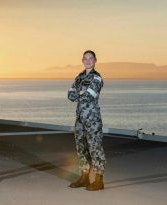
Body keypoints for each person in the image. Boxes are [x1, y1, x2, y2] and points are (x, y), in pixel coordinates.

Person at [67, 50, 106, 191]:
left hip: (93, 120)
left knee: (95, 149)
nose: (88, 61)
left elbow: (89, 96)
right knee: (82, 149)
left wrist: (80, 93)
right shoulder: (79, 77)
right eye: (85, 58)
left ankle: (99, 180)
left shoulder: (97, 78)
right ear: (82, 61)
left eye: (90, 58)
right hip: (80, 120)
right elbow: (70, 95)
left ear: (95, 60)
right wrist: (81, 92)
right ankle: (84, 177)